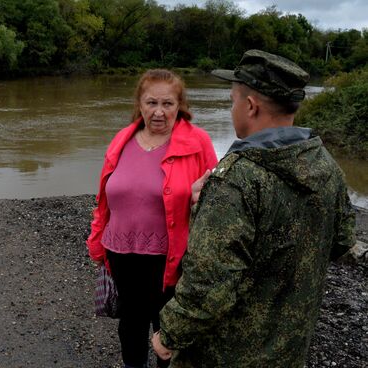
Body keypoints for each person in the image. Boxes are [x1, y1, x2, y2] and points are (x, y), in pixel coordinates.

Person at [152, 49, 356, 367]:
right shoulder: (326, 165)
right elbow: (341, 240)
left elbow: (209, 287)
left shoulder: (236, 179)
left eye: (232, 100)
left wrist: (169, 334)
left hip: (226, 356)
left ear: (250, 106)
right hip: (290, 348)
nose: (232, 108)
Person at [87, 69, 218, 368]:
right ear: (140, 104)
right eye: (151, 103)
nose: (158, 112)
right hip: (120, 251)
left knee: (167, 328)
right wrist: (96, 241)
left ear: (180, 105)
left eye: (167, 104)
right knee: (130, 322)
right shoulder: (123, 138)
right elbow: (104, 198)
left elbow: (218, 201)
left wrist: (199, 198)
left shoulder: (197, 142)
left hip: (171, 257)